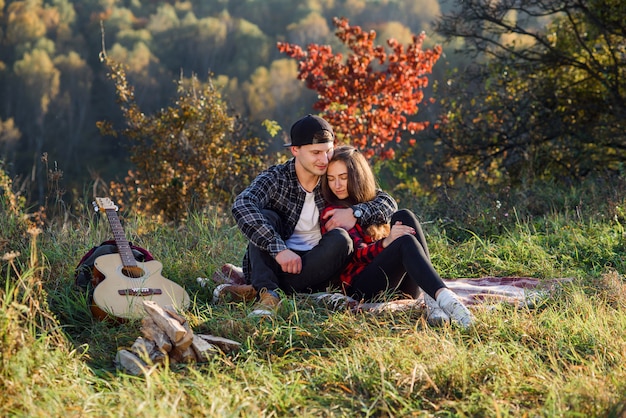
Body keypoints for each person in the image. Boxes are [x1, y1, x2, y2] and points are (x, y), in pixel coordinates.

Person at [228, 115, 397, 316]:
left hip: (319, 265)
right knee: (266, 216)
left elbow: (387, 203)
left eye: (328, 151)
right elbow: (241, 204)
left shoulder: (333, 176)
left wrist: (356, 212)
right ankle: (268, 295)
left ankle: (262, 290)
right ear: (295, 150)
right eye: (316, 152)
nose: (324, 159)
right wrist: (278, 249)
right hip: (276, 260)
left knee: (341, 239)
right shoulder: (277, 178)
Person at [320, 145, 474, 328]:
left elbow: (390, 205)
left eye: (343, 177)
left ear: (357, 177)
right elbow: (356, 255)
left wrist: (357, 213)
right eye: (331, 179)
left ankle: (433, 301)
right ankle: (448, 301)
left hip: (398, 286)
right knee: (404, 241)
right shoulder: (333, 212)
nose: (336, 185)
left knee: (404, 216)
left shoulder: (371, 202)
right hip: (363, 288)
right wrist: (387, 242)